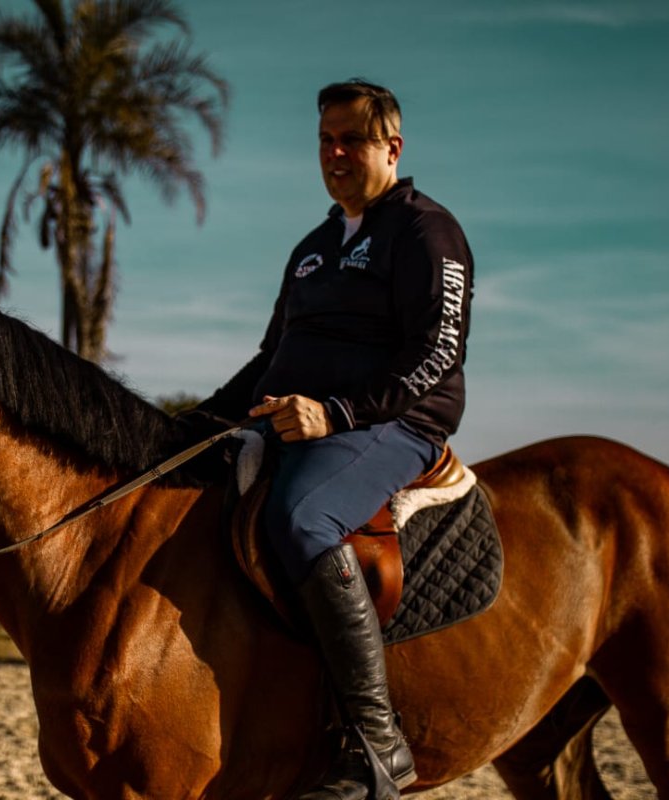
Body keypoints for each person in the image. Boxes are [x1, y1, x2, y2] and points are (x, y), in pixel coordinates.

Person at [194, 79, 474, 798]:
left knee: (301, 517)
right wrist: (196, 425)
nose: (336, 152)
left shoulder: (425, 231)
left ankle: (379, 745)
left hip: (396, 424)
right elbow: (269, 360)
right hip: (298, 415)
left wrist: (337, 415)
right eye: (325, 139)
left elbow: (437, 354)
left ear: (393, 147)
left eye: (352, 138)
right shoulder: (313, 248)